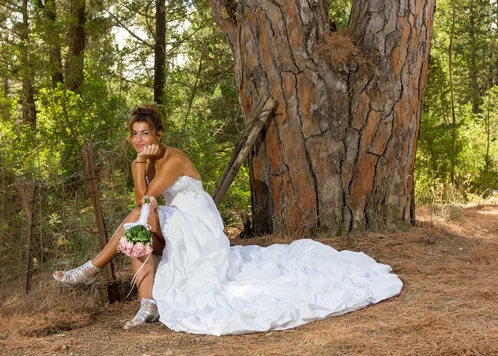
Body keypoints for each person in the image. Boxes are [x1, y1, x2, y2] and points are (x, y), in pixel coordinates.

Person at [53, 104, 403, 334]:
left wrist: (139, 166)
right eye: (134, 134)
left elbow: (147, 198)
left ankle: (91, 269)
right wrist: (139, 165)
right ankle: (147, 306)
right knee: (137, 230)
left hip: (199, 227)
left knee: (137, 219)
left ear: (158, 135)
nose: (140, 140)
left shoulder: (173, 158)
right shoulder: (144, 160)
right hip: (174, 223)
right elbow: (145, 205)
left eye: (146, 133)